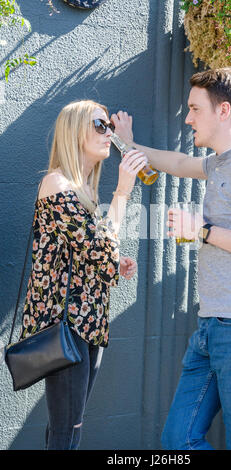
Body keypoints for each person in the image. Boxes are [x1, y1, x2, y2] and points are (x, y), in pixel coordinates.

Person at [111, 67, 231, 450]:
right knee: (178, 440)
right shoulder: (222, 161)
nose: (188, 117)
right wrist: (127, 144)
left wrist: (203, 231)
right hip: (214, 324)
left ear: (223, 111)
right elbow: (175, 163)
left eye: (195, 109)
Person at [20, 99, 148, 450]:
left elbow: (94, 253)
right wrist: (123, 190)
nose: (107, 132)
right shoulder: (56, 184)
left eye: (108, 125)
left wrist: (114, 261)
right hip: (67, 326)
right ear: (74, 132)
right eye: (99, 125)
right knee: (66, 431)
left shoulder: (85, 191)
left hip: (89, 322)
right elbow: (100, 249)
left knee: (69, 427)